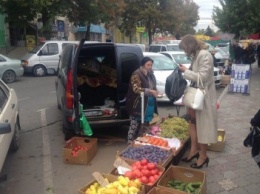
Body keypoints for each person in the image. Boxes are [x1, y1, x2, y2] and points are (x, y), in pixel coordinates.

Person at [178, 35, 218, 169]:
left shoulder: (205, 55)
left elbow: (203, 77)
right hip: (195, 97)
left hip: (203, 97)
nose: (184, 52)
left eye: (185, 48)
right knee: (192, 123)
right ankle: (193, 151)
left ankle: (203, 156)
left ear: (190, 46)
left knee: (203, 128)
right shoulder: (196, 55)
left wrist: (186, 71)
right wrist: (187, 70)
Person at [126, 57, 159, 144]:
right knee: (134, 124)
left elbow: (153, 86)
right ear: (143, 65)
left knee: (144, 125)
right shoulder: (136, 74)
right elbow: (136, 89)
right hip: (137, 104)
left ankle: (140, 142)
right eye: (148, 65)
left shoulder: (151, 74)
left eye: (151, 65)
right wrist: (150, 91)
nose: (150, 67)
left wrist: (155, 90)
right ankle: (130, 143)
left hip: (148, 104)